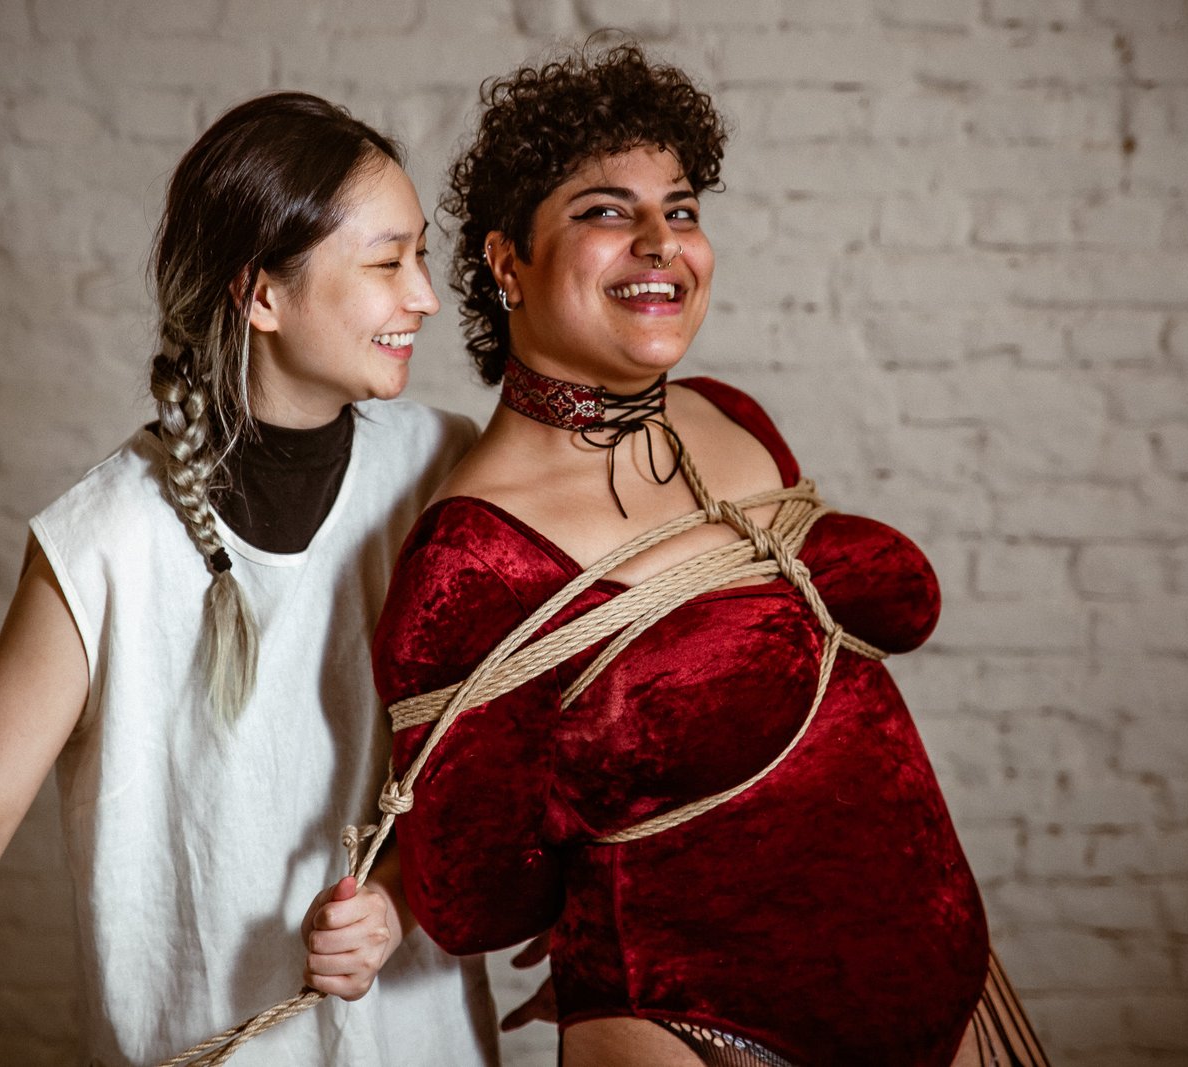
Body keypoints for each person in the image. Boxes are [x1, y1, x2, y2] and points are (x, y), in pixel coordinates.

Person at [372, 44, 994, 1067]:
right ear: (507, 262)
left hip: (944, 976)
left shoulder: (727, 415)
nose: (662, 242)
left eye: (683, 209)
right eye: (606, 211)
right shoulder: (472, 555)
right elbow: (475, 894)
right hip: (703, 1027)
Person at [0, 92, 498, 1067]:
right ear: (262, 296)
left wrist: (398, 900)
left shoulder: (444, 469)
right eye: (387, 263)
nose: (424, 296)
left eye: (420, 256)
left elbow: (499, 766)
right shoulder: (103, 540)